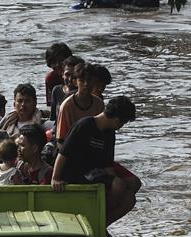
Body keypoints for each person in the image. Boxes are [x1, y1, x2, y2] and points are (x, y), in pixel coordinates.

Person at [51, 95, 141, 225]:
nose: (121, 126)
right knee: (118, 186)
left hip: (95, 172)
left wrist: (115, 184)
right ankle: (96, 215)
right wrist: (55, 178)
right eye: (123, 123)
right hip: (75, 173)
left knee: (130, 197)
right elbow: (63, 154)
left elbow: (108, 165)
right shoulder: (84, 125)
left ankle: (103, 221)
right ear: (117, 120)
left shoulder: (109, 133)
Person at [56, 63, 105, 143]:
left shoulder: (99, 104)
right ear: (75, 82)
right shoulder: (67, 106)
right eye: (82, 81)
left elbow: (102, 131)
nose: (86, 84)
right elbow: (61, 139)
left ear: (94, 81)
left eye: (89, 80)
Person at [49, 56, 83, 123]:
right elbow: (53, 118)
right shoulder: (56, 90)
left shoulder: (83, 93)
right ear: (62, 74)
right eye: (67, 75)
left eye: (74, 76)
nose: (70, 79)